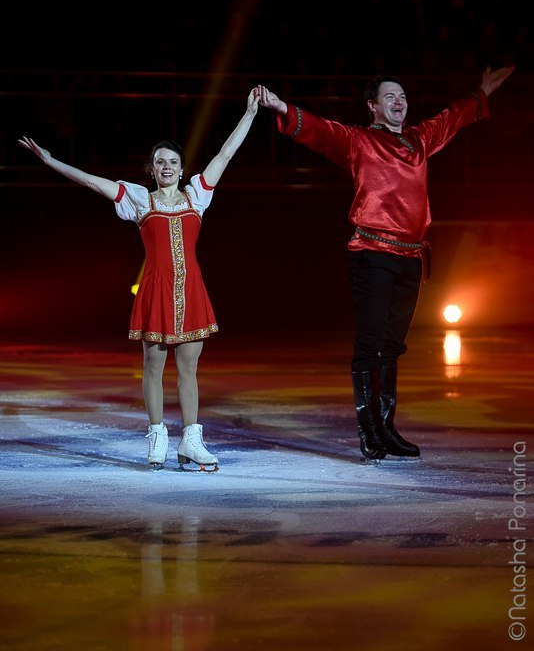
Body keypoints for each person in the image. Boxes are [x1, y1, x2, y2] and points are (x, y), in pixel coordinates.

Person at [258, 66, 514, 461]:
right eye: (391, 97)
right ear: (373, 106)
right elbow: (322, 130)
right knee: (371, 344)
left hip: (411, 257)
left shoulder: (419, 140)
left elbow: (452, 118)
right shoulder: (358, 141)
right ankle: (369, 431)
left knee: (392, 347)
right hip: (372, 254)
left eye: (404, 97)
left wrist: (482, 92)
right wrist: (281, 106)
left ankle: (387, 428)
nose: (400, 102)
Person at [18, 88, 261, 472]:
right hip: (156, 290)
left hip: (191, 289)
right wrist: (51, 161)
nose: (166, 166)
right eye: (159, 161)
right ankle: (157, 436)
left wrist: (248, 114)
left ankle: (191, 442)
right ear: (151, 169)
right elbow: (90, 182)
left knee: (188, 370)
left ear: (182, 168)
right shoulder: (138, 199)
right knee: (152, 366)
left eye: (173, 161)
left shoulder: (197, 194)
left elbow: (225, 154)